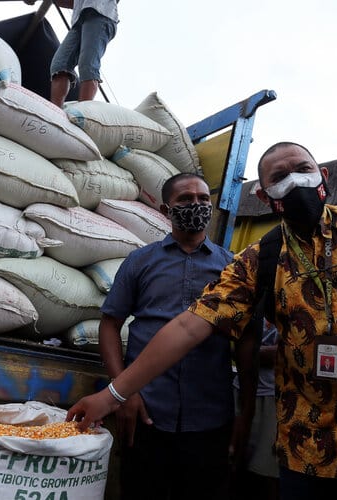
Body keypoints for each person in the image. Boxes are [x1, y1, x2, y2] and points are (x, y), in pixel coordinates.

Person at [68, 142, 337, 500]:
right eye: (279, 177)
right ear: (266, 196)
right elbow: (189, 326)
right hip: (317, 448)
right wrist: (113, 395)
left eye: (302, 169)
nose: (294, 181)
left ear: (322, 175)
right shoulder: (257, 262)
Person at [99, 173, 235, 500]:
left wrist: (243, 416)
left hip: (210, 417)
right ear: (165, 209)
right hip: (147, 414)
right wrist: (123, 393)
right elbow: (109, 325)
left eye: (203, 199)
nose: (197, 205)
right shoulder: (140, 261)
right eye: (185, 200)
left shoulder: (232, 267)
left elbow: (245, 339)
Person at [23, 0, 118, 108]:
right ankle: (55, 112)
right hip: (79, 20)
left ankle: (83, 113)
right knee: (59, 65)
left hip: (101, 14)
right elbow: (72, 2)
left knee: (87, 63)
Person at [230, 318, 280, 500]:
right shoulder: (245, 296)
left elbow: (290, 351)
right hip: (241, 390)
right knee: (237, 465)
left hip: (274, 398)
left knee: (266, 472)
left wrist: (248, 352)